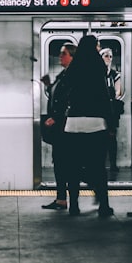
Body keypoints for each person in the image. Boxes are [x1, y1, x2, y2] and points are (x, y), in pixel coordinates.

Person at [54, 35, 114, 217]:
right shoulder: (99, 68)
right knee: (98, 167)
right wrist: (111, 125)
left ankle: (74, 206)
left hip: (73, 124)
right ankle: (104, 206)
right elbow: (105, 99)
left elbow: (63, 95)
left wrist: (61, 116)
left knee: (72, 167)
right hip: (96, 124)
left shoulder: (73, 69)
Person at [41, 42, 76, 211]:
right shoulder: (63, 75)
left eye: (64, 54)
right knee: (60, 163)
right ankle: (61, 198)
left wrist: (56, 117)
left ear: (72, 57)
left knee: (65, 163)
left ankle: (66, 199)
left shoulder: (72, 76)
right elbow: (57, 97)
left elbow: (70, 101)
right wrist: (48, 86)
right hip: (60, 128)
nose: (60, 57)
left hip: (66, 127)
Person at [100, 47, 123, 176]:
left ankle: (113, 163)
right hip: (100, 109)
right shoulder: (97, 73)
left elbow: (118, 91)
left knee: (112, 136)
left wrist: (114, 97)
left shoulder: (114, 74)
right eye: (106, 56)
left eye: (110, 56)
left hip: (112, 109)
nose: (109, 59)